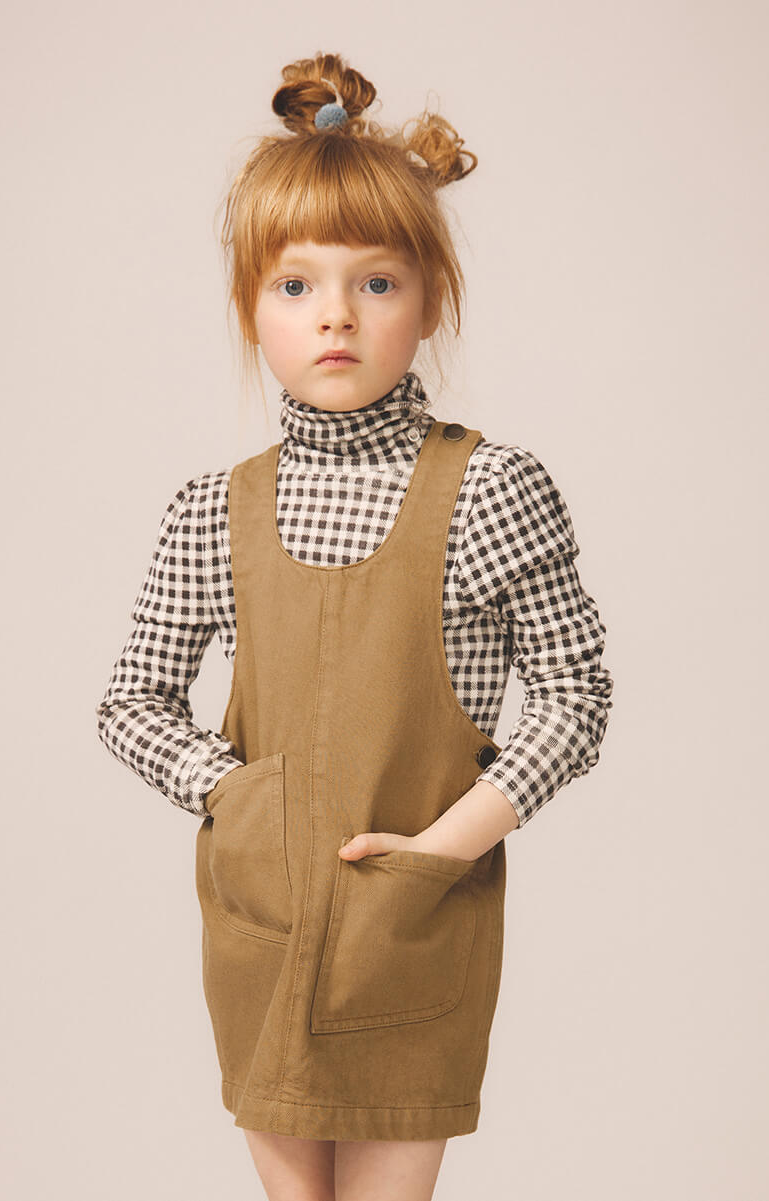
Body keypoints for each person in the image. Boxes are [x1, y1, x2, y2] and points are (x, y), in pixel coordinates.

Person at [95, 50, 614, 1201]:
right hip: (264, 926)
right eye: (295, 286)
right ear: (251, 308)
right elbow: (131, 700)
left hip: (415, 927)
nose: (335, 314)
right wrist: (235, 797)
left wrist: (449, 846)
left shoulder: (493, 491)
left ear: (431, 302)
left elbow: (576, 699)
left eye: (376, 282)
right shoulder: (214, 509)